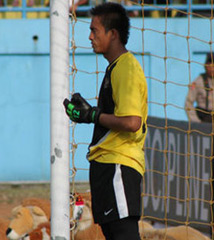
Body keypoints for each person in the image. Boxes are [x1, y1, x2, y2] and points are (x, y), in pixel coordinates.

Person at [63, 3, 147, 240]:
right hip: (107, 165)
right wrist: (90, 114)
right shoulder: (115, 67)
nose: (89, 37)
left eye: (94, 30)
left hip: (118, 165)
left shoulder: (126, 68)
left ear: (113, 34)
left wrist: (93, 115)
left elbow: (132, 122)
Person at [185, 53, 214, 124]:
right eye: (209, 66)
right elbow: (188, 103)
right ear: (205, 66)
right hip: (205, 118)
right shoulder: (198, 81)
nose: (212, 69)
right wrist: (196, 122)